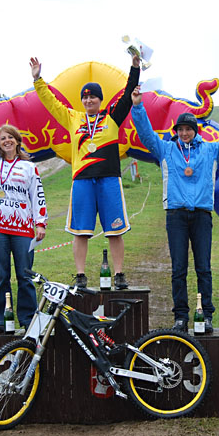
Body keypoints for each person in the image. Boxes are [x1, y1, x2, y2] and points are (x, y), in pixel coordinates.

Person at [129, 85, 219, 332]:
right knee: (178, 269)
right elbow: (145, 134)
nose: (184, 133)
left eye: (188, 129)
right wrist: (137, 106)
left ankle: (206, 315)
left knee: (203, 268)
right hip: (175, 215)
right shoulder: (166, 149)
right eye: (181, 129)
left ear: (195, 131)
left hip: (201, 215)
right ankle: (180, 316)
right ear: (176, 131)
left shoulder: (210, 150)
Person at [29, 54, 140, 289]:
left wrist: (135, 68)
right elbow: (51, 103)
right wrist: (38, 79)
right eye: (85, 97)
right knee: (80, 232)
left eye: (93, 97)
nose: (89, 100)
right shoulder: (73, 118)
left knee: (115, 231)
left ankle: (119, 274)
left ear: (100, 99)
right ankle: (80, 275)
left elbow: (128, 94)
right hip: (82, 181)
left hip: (109, 180)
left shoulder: (111, 117)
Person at [0, 89, 47, 332]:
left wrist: (40, 223)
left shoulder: (29, 167)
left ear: (17, 141)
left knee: (25, 275)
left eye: (10, 137)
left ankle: (28, 319)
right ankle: (1, 320)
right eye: (2, 139)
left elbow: (37, 196)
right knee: (1, 276)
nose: (6, 141)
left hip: (23, 230)